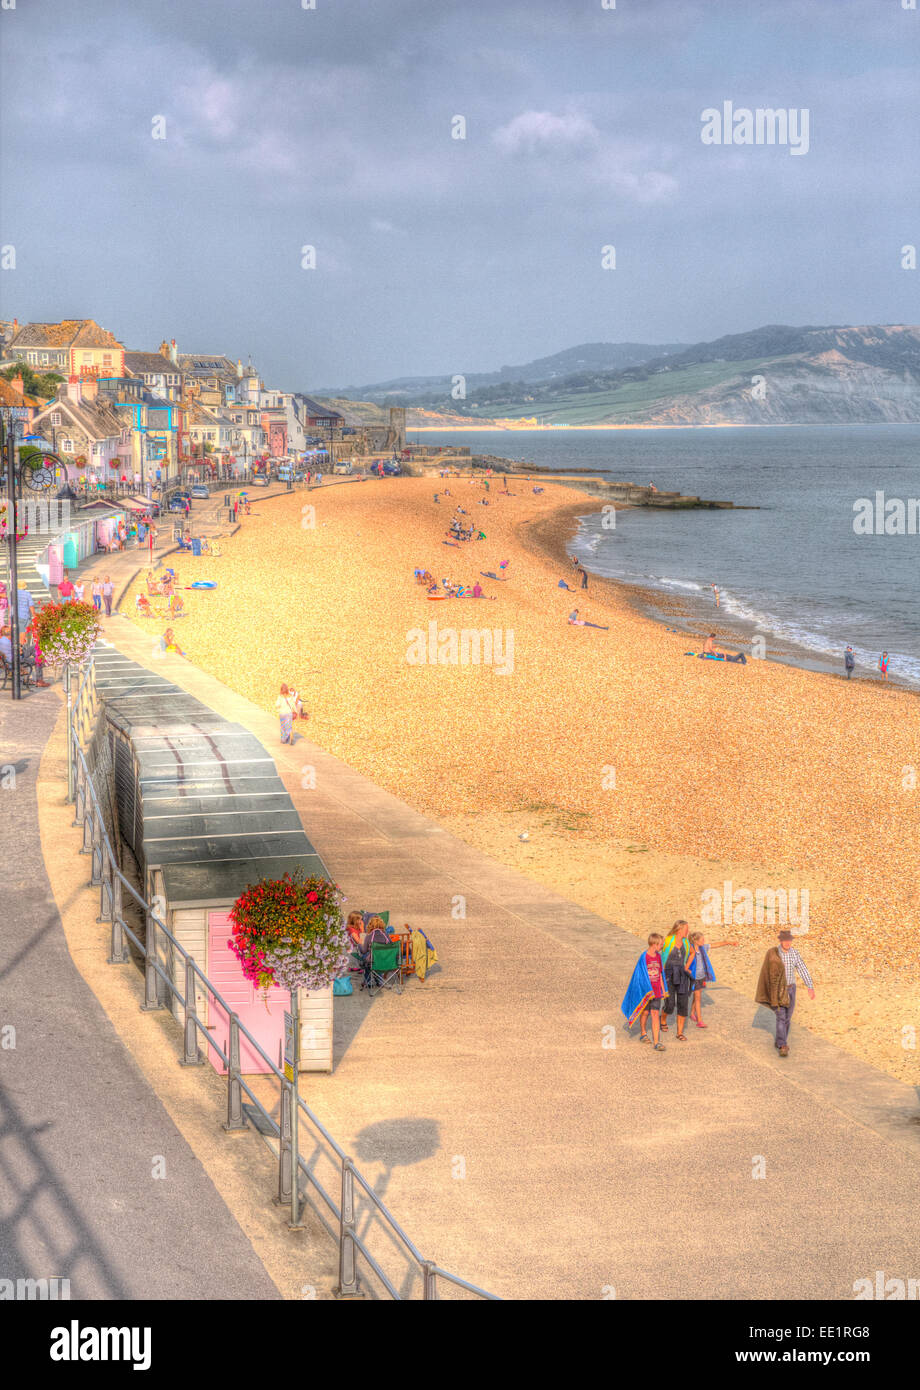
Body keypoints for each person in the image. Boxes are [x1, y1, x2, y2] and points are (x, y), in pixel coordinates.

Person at [756, 929, 815, 1057]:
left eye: (789, 940)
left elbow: (802, 968)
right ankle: (783, 1045)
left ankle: (779, 1040)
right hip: (778, 990)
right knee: (781, 1017)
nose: (787, 942)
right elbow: (766, 972)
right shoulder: (774, 954)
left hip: (791, 989)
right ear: (780, 941)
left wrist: (810, 986)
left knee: (787, 1018)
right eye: (785, 940)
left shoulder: (795, 953)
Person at [621, 932, 667, 1051]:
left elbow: (661, 974)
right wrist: (647, 989)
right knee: (645, 1013)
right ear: (654, 944)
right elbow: (640, 975)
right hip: (646, 992)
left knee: (655, 1014)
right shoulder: (644, 957)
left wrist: (663, 990)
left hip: (656, 991)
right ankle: (643, 1033)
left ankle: (657, 1042)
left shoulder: (658, 956)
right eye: (661, 944)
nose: (662, 946)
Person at [686, 930, 736, 1027]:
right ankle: (700, 1021)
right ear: (696, 941)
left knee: (697, 995)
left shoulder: (703, 948)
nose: (704, 940)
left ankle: (692, 1013)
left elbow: (715, 945)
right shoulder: (689, 950)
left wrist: (728, 942)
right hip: (694, 977)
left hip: (702, 976)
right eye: (702, 939)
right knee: (698, 998)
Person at [659, 921, 692, 1038]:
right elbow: (656, 948)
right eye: (686, 929)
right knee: (670, 1004)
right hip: (668, 975)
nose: (688, 931)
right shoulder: (668, 940)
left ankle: (680, 1033)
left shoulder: (686, 942)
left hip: (682, 975)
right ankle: (662, 1019)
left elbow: (692, 953)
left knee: (683, 1003)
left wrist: (687, 966)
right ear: (679, 929)